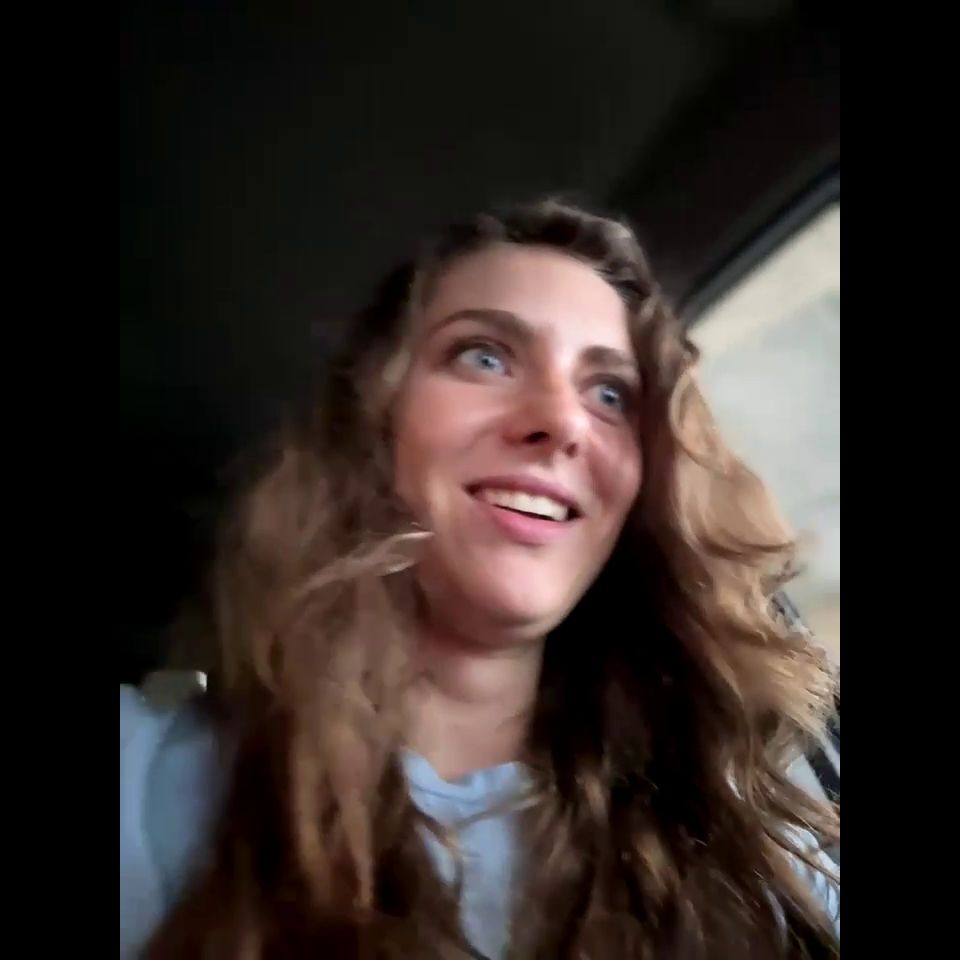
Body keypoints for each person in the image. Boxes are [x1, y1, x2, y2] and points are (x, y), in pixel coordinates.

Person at [120, 199, 840, 959]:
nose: (563, 422)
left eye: (611, 394)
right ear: (371, 421)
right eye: (485, 357)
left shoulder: (755, 844)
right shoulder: (143, 775)